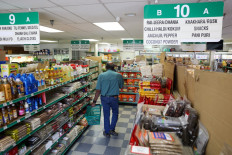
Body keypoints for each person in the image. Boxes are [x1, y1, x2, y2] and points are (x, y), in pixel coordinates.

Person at [92, 63, 124, 138]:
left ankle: (107, 132)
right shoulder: (118, 75)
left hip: (104, 98)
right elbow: (121, 86)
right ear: (114, 68)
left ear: (106, 67)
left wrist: (94, 101)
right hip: (114, 98)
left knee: (106, 114)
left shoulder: (101, 75)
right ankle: (112, 129)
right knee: (115, 113)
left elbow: (98, 90)